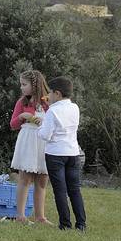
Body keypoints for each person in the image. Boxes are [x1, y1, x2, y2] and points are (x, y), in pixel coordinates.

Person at [38, 76, 86, 231]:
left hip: (55, 154)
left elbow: (46, 135)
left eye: (50, 93)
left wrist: (40, 125)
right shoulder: (75, 108)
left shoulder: (52, 111)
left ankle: (65, 224)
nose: (48, 96)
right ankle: (81, 224)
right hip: (73, 153)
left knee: (60, 190)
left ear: (57, 94)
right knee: (75, 190)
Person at [9, 69, 51, 224]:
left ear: (34, 85)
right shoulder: (22, 102)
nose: (21, 87)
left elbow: (53, 121)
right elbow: (13, 124)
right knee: (25, 178)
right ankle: (20, 215)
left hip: (43, 142)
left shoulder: (48, 102)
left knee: (42, 179)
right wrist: (22, 117)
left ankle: (40, 217)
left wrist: (40, 121)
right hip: (28, 141)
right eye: (21, 84)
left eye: (24, 84)